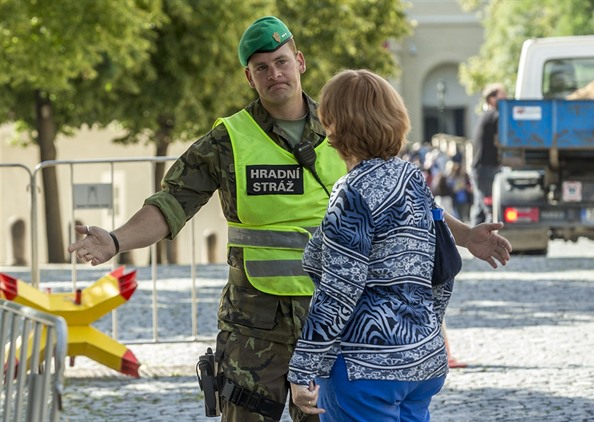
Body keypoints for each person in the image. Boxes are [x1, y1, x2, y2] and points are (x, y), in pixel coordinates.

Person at [69, 18, 510, 422]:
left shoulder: (345, 126)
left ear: (298, 61)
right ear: (249, 76)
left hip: (336, 322)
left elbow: (403, 200)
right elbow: (171, 204)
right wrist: (114, 239)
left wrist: (466, 235)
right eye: (261, 68)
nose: (274, 74)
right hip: (255, 324)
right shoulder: (229, 139)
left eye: (281, 62)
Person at [287, 69, 512, 422]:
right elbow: (443, 268)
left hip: (366, 368)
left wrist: (302, 369)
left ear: (334, 126)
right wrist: (425, 327)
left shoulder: (352, 193)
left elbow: (339, 290)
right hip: (422, 364)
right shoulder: (412, 179)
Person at [469, 82, 506, 225]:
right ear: (492, 99)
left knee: (480, 208)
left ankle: (474, 238)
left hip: (481, 169)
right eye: (502, 95)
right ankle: (489, 243)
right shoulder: (494, 115)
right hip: (486, 169)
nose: (506, 98)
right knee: (490, 209)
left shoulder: (486, 115)